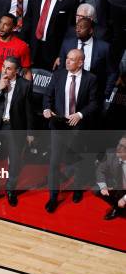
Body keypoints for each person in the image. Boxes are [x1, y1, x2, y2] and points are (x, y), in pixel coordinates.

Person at [43, 49, 99, 213]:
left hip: (78, 127)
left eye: (72, 60)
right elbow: (48, 96)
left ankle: (77, 190)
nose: (67, 61)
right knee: (54, 162)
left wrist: (80, 114)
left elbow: (95, 103)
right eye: (67, 58)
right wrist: (47, 109)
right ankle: (53, 197)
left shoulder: (91, 79)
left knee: (78, 161)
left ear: (80, 62)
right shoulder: (58, 75)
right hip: (59, 125)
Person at [0, 57, 34, 208]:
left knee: (15, 161)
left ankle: (10, 190)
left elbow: (28, 111)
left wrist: (30, 132)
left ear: (17, 71)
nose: (4, 70)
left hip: (14, 127)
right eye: (3, 66)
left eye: (9, 68)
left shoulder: (25, 85)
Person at [24, 0, 78, 71]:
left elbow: (69, 29)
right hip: (33, 46)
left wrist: (62, 54)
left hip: (53, 49)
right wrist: (23, 42)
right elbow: (28, 19)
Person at [58, 17, 117, 99]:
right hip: (69, 91)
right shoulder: (67, 44)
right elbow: (61, 69)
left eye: (81, 27)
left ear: (90, 31)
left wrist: (106, 93)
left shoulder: (104, 48)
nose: (77, 30)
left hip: (94, 94)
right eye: (77, 27)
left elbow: (113, 72)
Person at [96, 135, 126, 220]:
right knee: (97, 189)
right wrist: (103, 187)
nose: (119, 148)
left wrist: (124, 199)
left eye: (123, 147)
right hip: (119, 185)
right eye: (119, 144)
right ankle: (117, 207)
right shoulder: (111, 154)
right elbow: (100, 170)